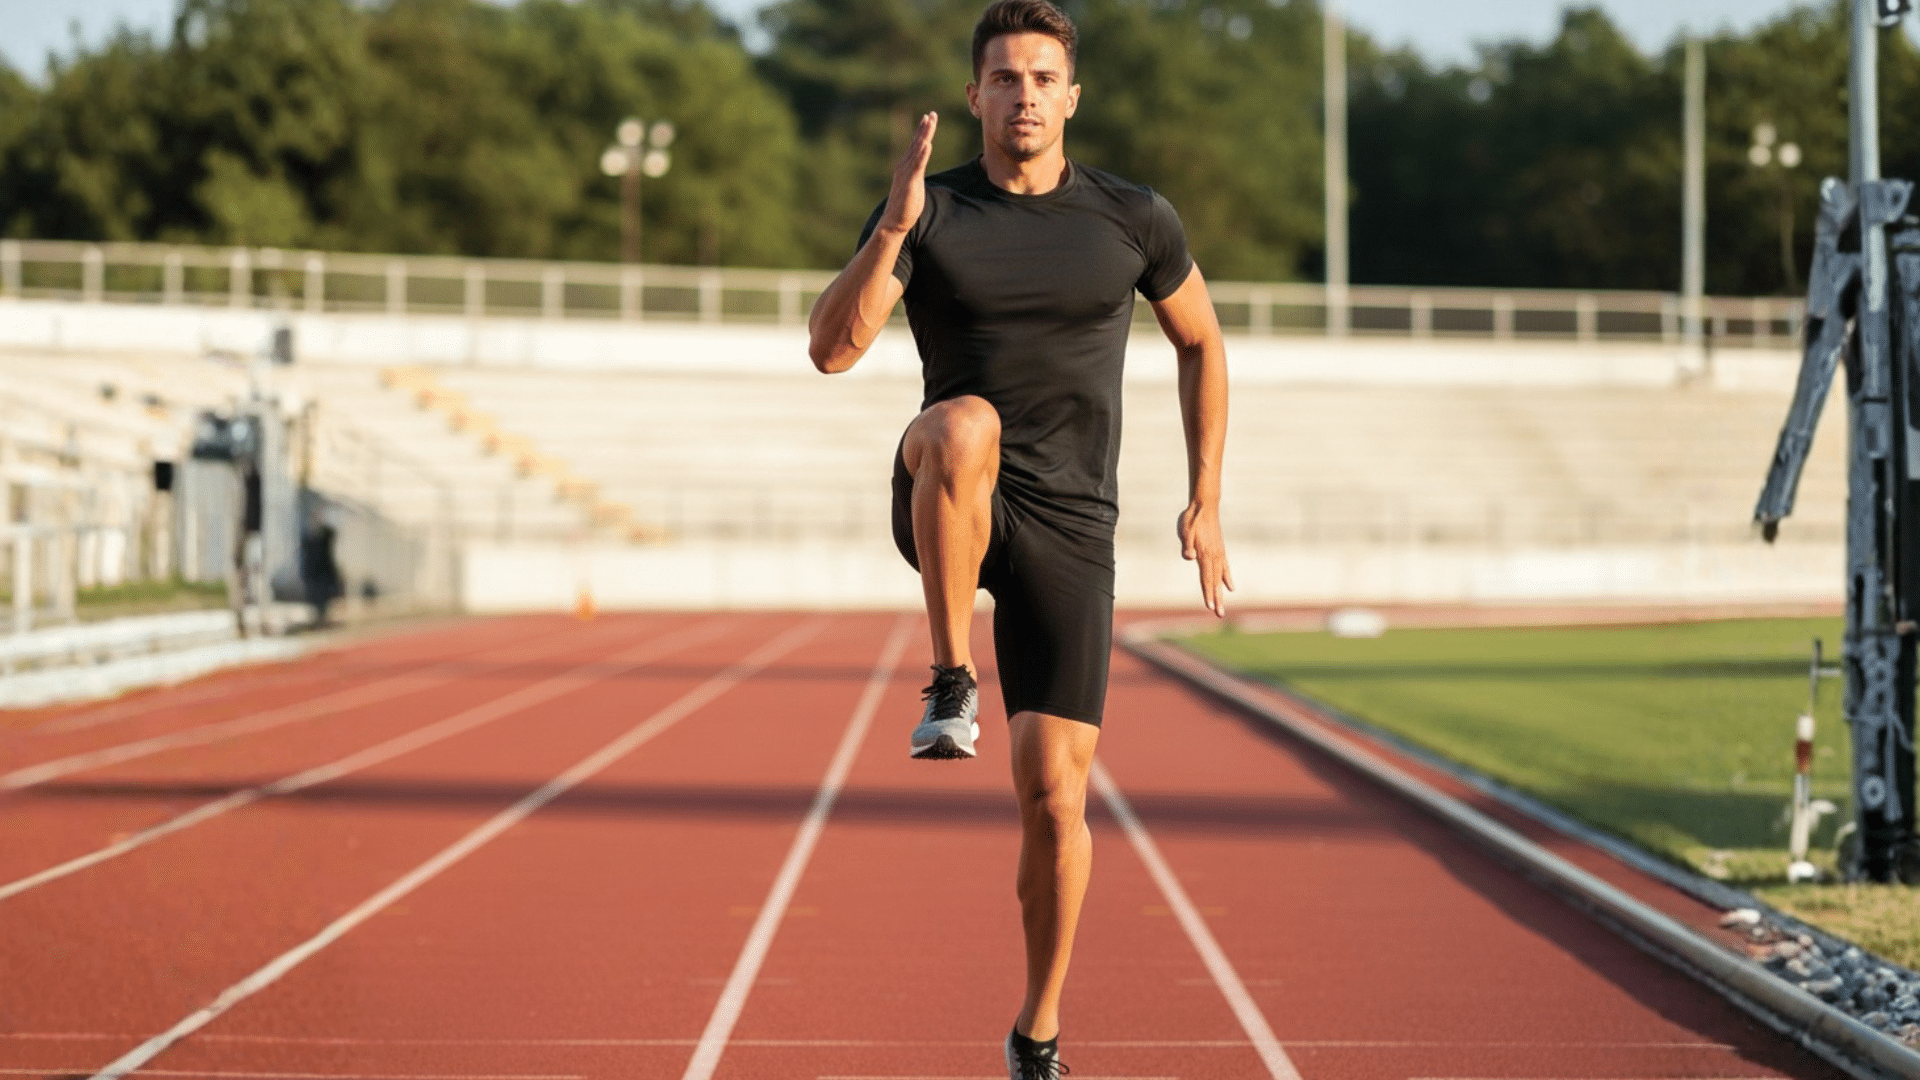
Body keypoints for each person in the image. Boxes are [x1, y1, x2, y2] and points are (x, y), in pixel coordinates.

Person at [806, 1, 1232, 1075]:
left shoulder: (1133, 218)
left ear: (1071, 97)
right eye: (1005, 78)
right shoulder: (929, 210)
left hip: (1073, 525)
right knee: (964, 422)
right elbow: (832, 351)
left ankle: (1036, 1033)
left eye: (1044, 78)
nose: (1025, 96)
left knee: (1054, 801)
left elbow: (1201, 342)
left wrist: (1206, 497)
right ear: (975, 96)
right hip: (953, 494)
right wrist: (894, 227)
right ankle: (951, 677)